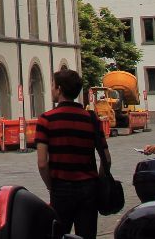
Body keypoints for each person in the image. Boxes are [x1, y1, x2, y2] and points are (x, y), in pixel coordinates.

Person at [35, 68, 110, 239]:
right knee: (87, 234)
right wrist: (98, 181)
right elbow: (106, 158)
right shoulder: (91, 119)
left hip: (61, 187)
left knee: (59, 234)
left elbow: (42, 162)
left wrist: (50, 185)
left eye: (53, 85)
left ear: (59, 89)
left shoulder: (46, 119)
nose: (52, 89)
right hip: (89, 187)